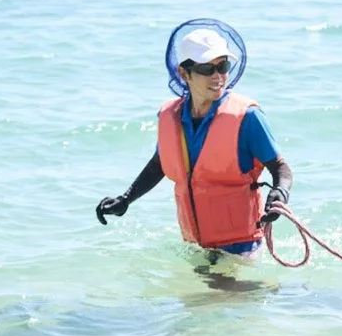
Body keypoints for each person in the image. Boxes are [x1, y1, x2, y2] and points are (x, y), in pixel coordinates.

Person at [96, 21, 292, 257]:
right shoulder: (172, 116)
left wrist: (280, 193)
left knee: (218, 294)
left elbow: (280, 167)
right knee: (193, 294)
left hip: (241, 249)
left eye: (223, 66)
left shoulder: (247, 117)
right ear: (184, 73)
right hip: (195, 246)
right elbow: (160, 163)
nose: (218, 76)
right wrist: (126, 199)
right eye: (206, 69)